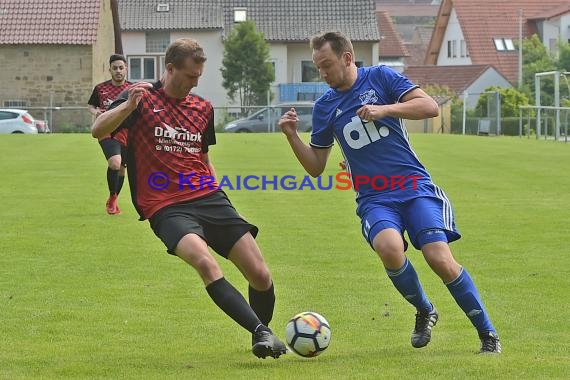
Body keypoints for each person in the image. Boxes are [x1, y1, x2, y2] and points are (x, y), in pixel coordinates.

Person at [278, 31, 501, 354]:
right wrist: (291, 136)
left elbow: (429, 107)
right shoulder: (326, 106)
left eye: (327, 65)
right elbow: (315, 166)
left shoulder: (381, 78)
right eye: (318, 68)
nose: (322, 74)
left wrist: (384, 110)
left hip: (414, 187)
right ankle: (425, 310)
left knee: (439, 258)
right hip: (374, 197)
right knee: (389, 247)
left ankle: (488, 334)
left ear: (347, 58)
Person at [91, 38, 287, 359]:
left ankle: (260, 334)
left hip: (209, 196)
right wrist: (127, 107)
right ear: (170, 69)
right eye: (190, 76)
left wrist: (217, 189)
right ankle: (260, 330)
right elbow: (98, 130)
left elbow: (203, 155)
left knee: (261, 276)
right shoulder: (139, 96)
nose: (195, 82)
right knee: (205, 263)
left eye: (198, 76)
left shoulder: (202, 108)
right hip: (165, 206)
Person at [88, 54, 132, 215]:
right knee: (114, 163)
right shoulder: (101, 88)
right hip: (106, 130)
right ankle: (113, 199)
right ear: (110, 70)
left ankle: (113, 198)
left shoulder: (132, 89)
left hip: (127, 132)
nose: (118, 71)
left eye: (121, 67)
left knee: (121, 169)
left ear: (126, 69)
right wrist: (96, 112)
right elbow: (91, 105)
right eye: (115, 68)